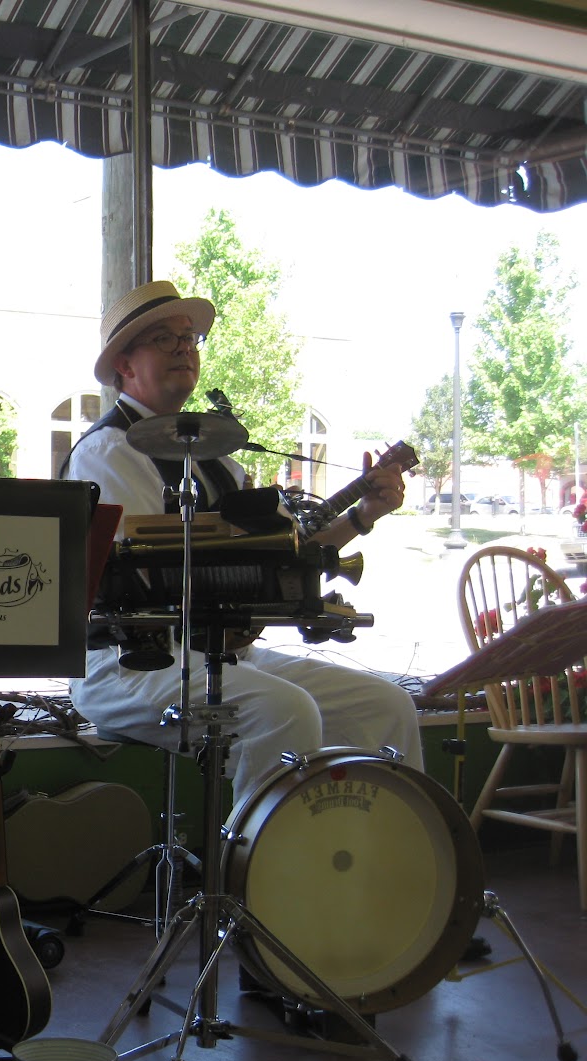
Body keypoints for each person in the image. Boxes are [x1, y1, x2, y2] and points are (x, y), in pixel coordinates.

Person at [63, 279, 422, 802]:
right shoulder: (110, 453)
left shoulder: (219, 462)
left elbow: (291, 554)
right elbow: (140, 573)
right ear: (124, 364)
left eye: (189, 338)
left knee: (385, 706)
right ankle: (257, 853)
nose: (184, 349)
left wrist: (363, 515)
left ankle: (372, 848)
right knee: (284, 710)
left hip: (223, 657)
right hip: (131, 666)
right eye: (164, 339)